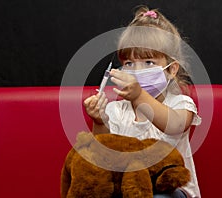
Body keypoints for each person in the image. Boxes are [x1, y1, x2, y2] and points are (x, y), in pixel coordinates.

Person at [84, 6, 202, 198]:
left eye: (148, 63)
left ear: (171, 70)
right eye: (130, 63)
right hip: (129, 190)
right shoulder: (117, 110)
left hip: (170, 191)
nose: (137, 71)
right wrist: (99, 121)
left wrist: (139, 96)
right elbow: (105, 151)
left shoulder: (181, 104)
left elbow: (174, 125)